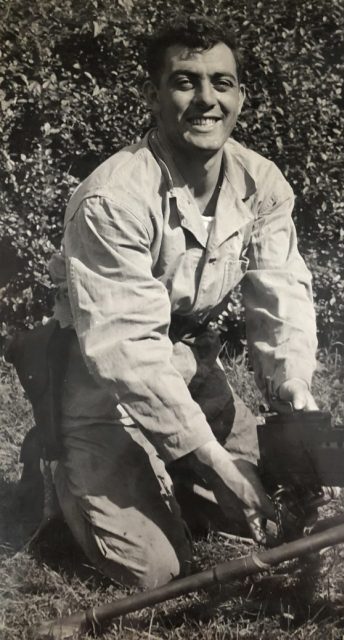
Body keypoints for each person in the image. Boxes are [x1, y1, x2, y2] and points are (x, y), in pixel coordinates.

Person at [47, 14, 318, 589]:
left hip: (193, 366)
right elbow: (128, 353)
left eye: (222, 82)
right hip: (102, 385)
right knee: (158, 572)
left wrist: (294, 387)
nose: (206, 100)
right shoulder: (113, 198)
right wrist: (212, 460)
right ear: (153, 95)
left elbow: (281, 294)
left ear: (241, 95)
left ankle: (173, 467)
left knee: (277, 512)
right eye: (185, 81)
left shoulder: (262, 183)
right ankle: (60, 465)